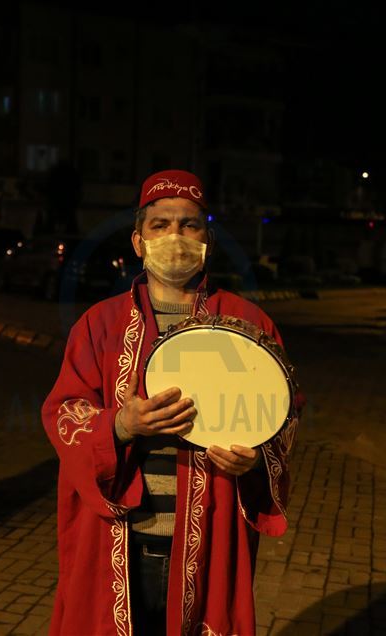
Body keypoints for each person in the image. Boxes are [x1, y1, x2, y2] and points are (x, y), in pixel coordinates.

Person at [41, 169, 302, 635]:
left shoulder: (249, 323)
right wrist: (120, 425)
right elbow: (64, 414)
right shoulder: (99, 324)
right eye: (160, 225)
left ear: (208, 240)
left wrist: (254, 459)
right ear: (138, 241)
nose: (175, 237)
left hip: (210, 540)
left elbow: (283, 416)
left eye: (189, 225)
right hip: (118, 539)